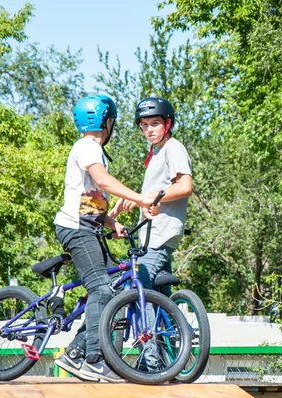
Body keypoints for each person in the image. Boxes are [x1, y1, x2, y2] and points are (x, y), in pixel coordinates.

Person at [53, 94, 158, 383]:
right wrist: (140, 199)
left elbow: (91, 198)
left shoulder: (89, 148)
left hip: (87, 227)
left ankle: (75, 352)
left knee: (107, 290)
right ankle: (93, 361)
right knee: (101, 290)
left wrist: (111, 222)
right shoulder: (87, 147)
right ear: (107, 121)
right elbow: (102, 182)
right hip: (76, 229)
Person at [110, 96, 192, 298]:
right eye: (144, 125)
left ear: (168, 123)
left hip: (161, 233)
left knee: (141, 286)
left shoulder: (173, 147)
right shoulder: (157, 152)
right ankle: (173, 329)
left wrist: (146, 196)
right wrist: (131, 199)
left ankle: (146, 332)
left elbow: (185, 186)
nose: (149, 130)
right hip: (152, 235)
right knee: (160, 295)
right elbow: (154, 190)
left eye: (155, 123)